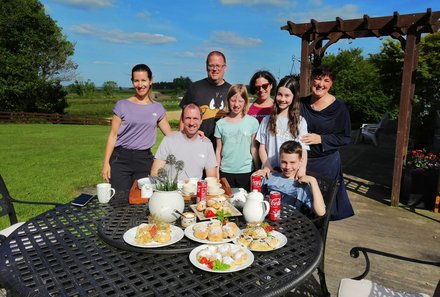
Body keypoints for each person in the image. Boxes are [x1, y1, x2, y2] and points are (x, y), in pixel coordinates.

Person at [101, 64, 173, 192]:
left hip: (144, 160)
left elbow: (170, 134)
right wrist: (106, 163)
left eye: (143, 80)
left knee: (142, 200)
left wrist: (193, 133)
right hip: (120, 159)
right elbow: (113, 135)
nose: (140, 85)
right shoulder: (122, 105)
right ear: (132, 82)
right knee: (119, 200)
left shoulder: (158, 108)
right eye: (136, 81)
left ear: (150, 81)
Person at [300, 65, 354, 220]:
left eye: (326, 80)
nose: (320, 84)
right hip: (302, 164)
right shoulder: (300, 103)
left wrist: (321, 139)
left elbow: (345, 137)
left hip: (326, 165)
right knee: (302, 207)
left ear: (331, 84)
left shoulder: (339, 108)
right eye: (317, 78)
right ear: (311, 80)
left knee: (321, 211)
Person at [256, 75, 309, 179]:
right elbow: (262, 147)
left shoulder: (301, 122)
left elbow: (303, 149)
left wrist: (302, 169)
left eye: (287, 95)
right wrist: (267, 165)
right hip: (270, 173)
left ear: (294, 97)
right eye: (279, 94)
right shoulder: (267, 120)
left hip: (291, 174)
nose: (282, 99)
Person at [254, 141, 325, 216]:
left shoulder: (303, 186)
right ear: (279, 160)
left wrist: (313, 181)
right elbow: (254, 201)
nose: (287, 167)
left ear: (301, 161)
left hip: (289, 223)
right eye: (284, 162)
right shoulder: (269, 177)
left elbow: (321, 212)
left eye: (292, 162)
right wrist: (255, 175)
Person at [151, 104, 217, 180]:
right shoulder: (168, 140)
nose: (191, 123)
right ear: (182, 120)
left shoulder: (207, 144)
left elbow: (212, 178)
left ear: (201, 120)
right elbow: (155, 173)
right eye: (188, 118)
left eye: (195, 118)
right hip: (172, 190)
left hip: (195, 190)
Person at [179, 51, 231, 148]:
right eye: (211, 66)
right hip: (196, 145)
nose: (214, 69)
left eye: (218, 66)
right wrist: (182, 143)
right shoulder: (195, 88)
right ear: (206, 67)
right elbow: (183, 118)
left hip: (223, 148)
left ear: (224, 68)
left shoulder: (231, 91)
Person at [214, 84, 259, 191]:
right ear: (228, 100)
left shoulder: (252, 122)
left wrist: (257, 169)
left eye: (240, 101)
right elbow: (218, 150)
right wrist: (216, 174)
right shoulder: (220, 124)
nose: (236, 104)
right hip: (226, 171)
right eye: (233, 100)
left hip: (246, 171)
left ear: (245, 102)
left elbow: (253, 148)